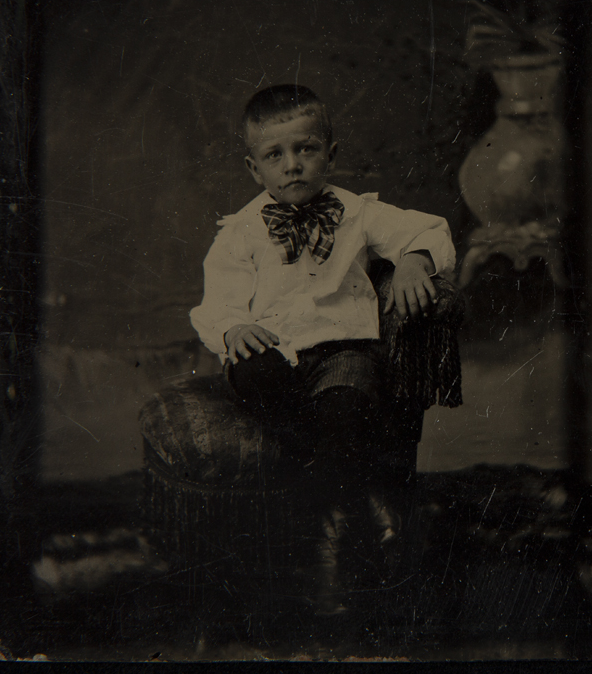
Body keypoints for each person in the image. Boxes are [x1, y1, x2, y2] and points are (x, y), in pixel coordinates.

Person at [190, 84, 456, 611]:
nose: (292, 166)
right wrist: (234, 330)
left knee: (347, 406)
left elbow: (429, 228)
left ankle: (332, 526)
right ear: (254, 169)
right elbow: (215, 303)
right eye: (275, 155)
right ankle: (355, 497)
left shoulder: (358, 212)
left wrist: (413, 260)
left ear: (330, 154)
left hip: (342, 349)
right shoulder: (239, 232)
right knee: (253, 373)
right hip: (276, 351)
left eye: (306, 149)